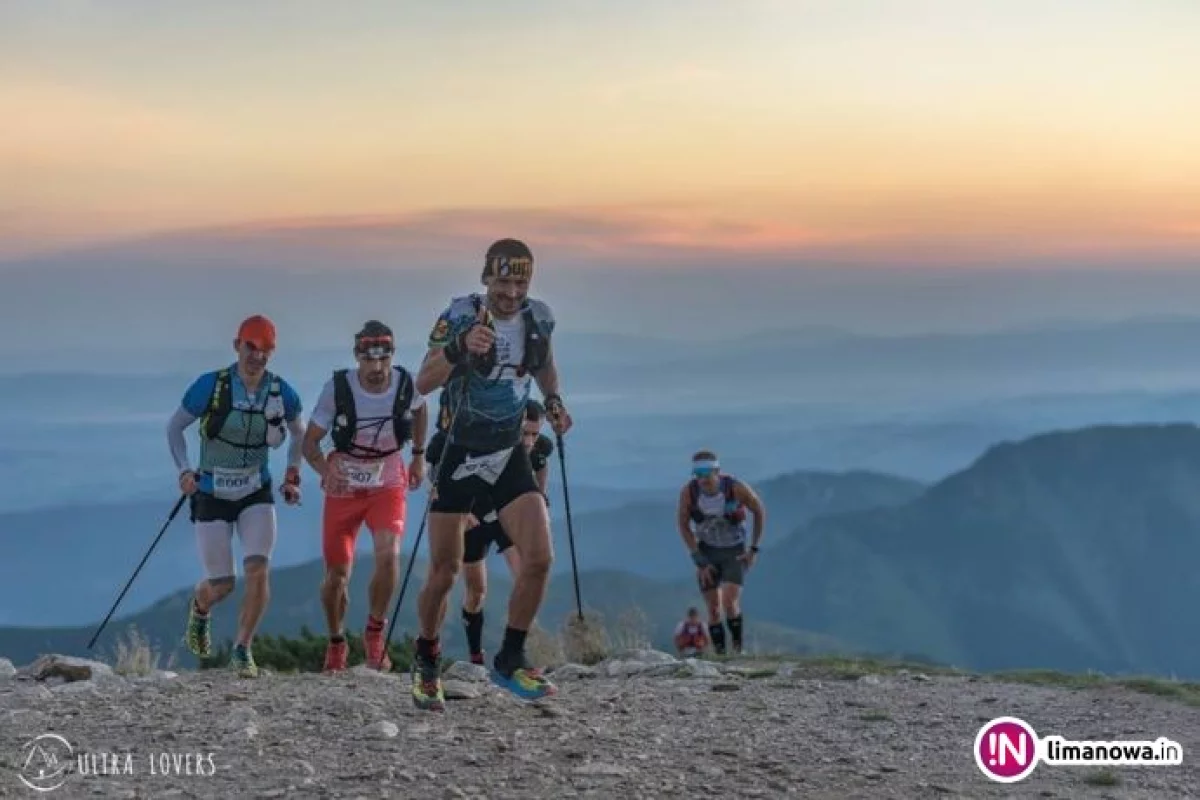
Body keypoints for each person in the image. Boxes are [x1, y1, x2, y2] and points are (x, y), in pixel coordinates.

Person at [411, 237, 573, 711]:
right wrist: (460, 349)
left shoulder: (538, 318)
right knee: (444, 572)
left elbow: (545, 369)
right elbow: (423, 381)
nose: (511, 290)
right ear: (486, 278)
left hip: (506, 451)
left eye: (520, 280)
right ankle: (425, 661)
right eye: (503, 280)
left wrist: (557, 402)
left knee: (539, 558)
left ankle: (510, 658)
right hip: (458, 451)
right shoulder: (460, 315)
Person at [167, 314, 305, 678]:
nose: (257, 356)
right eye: (251, 347)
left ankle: (243, 649)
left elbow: (299, 432)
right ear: (237, 346)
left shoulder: (280, 391)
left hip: (255, 491)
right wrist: (183, 470)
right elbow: (175, 427)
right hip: (211, 491)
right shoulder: (210, 386)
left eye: (266, 350)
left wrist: (293, 474)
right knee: (222, 585)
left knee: (258, 569)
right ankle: (200, 607)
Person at [301, 321, 428, 673]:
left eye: (383, 360)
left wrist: (418, 455)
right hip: (345, 487)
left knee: (389, 555)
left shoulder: (405, 382)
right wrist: (326, 473)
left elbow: (420, 408)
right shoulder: (338, 388)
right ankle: (336, 641)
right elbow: (309, 442)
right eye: (368, 361)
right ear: (357, 357)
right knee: (336, 576)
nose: (376, 369)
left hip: (387, 481)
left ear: (391, 356)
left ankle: (375, 633)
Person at [425, 399, 554, 666]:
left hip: (506, 514)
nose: (529, 441)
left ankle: (514, 649)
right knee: (476, 590)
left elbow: (541, 466)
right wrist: (460, 510)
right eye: (524, 433)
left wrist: (539, 498)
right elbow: (436, 474)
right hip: (474, 517)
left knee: (528, 571)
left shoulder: (541, 449)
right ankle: (474, 654)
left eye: (535, 433)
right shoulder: (460, 441)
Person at [676, 450, 766, 656]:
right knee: (714, 608)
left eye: (706, 473)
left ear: (717, 470)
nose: (702, 479)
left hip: (735, 550)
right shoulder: (689, 493)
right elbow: (682, 524)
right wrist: (698, 559)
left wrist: (753, 548)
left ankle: (737, 649)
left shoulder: (735, 488)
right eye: (697, 474)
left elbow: (758, 509)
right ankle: (720, 654)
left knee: (730, 602)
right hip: (707, 550)